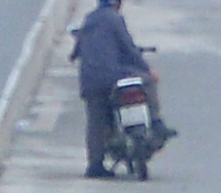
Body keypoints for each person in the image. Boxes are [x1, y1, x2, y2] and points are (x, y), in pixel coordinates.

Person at [72, 0, 174, 178]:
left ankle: (95, 164)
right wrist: (147, 69)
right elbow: (129, 48)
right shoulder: (114, 19)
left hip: (90, 81)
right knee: (148, 81)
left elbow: (77, 50)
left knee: (96, 122)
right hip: (113, 76)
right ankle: (156, 121)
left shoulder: (89, 19)